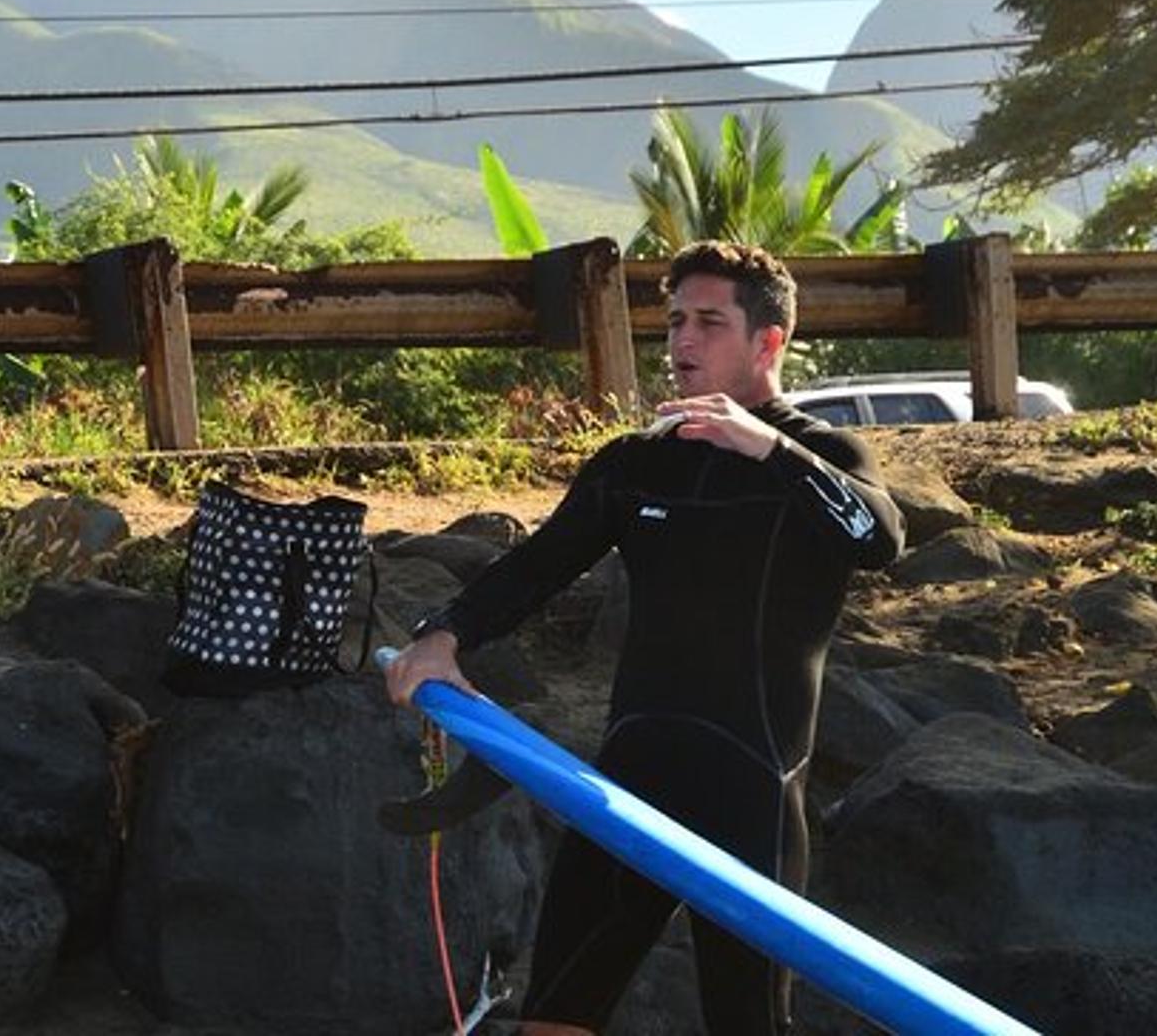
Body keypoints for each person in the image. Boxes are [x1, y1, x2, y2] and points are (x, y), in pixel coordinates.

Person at [385, 240, 904, 1036]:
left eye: (709, 322)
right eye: (674, 321)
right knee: (554, 1014)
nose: (682, 341)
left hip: (751, 794)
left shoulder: (821, 456)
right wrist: (444, 634)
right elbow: (538, 565)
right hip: (630, 788)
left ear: (769, 341)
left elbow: (879, 539)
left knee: (749, 1026)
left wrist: (767, 447)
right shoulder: (636, 462)